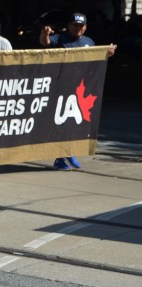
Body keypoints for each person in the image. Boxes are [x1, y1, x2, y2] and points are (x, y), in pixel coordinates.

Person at [39, 12, 117, 171]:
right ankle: (65, 153)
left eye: (81, 26)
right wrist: (44, 33)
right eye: (75, 25)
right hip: (62, 87)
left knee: (76, 122)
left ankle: (62, 158)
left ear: (85, 27)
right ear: (69, 26)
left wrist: (107, 54)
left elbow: (95, 62)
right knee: (63, 122)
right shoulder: (60, 39)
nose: (78, 29)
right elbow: (45, 43)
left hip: (80, 89)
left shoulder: (89, 41)